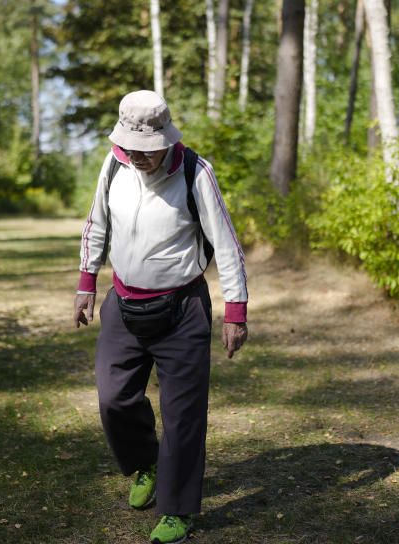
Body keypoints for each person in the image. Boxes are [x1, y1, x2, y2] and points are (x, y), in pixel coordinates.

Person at [73, 90, 249, 544]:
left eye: (147, 148)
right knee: (114, 397)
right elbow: (97, 221)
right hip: (125, 305)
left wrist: (236, 311)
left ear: (166, 141)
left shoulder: (195, 172)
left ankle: (177, 509)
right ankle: (146, 463)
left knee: (183, 414)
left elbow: (226, 243)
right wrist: (86, 282)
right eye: (131, 145)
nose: (138, 155)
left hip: (182, 309)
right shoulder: (114, 166)